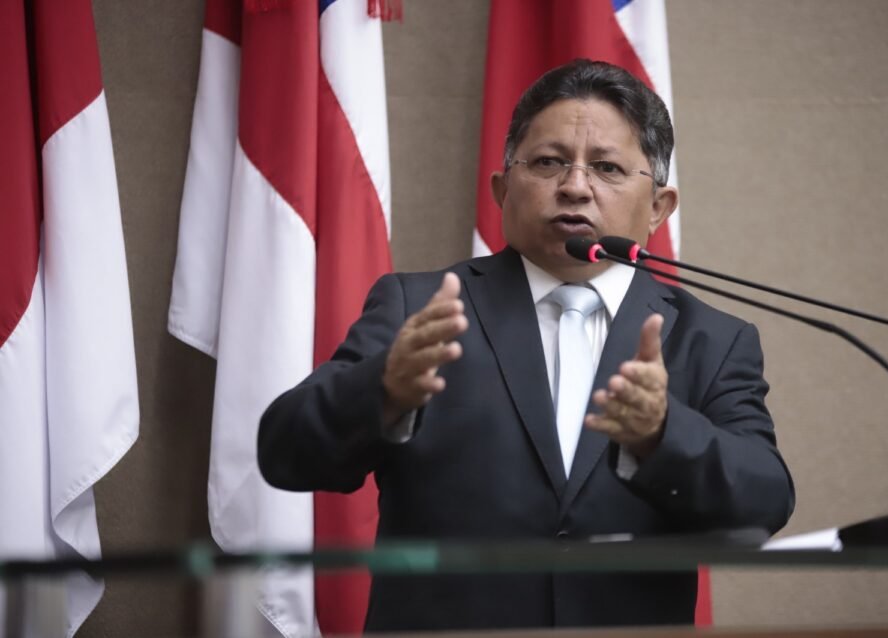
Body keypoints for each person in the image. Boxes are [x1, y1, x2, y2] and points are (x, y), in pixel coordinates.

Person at [258, 59, 794, 631]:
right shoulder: (421, 310)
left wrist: (664, 435)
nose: (575, 186)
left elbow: (765, 503)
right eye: (547, 162)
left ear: (659, 208)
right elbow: (285, 451)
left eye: (607, 167)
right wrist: (383, 391)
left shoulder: (710, 340)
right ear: (503, 188)